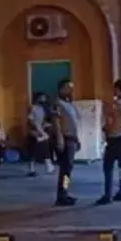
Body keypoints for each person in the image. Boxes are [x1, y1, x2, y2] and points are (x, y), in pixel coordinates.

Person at [96, 80, 121, 205]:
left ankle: (64, 189)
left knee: (108, 167)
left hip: (115, 138)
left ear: (117, 89)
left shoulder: (117, 104)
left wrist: (106, 129)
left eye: (114, 89)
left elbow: (112, 121)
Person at [51, 78, 80, 206]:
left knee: (68, 169)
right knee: (65, 169)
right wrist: (59, 138)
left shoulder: (69, 104)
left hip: (72, 138)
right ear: (61, 89)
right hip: (65, 138)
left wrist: (77, 139)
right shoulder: (58, 104)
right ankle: (62, 195)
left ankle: (65, 192)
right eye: (68, 87)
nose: (71, 90)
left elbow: (74, 123)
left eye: (72, 88)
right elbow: (56, 122)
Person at [26, 92, 54, 177]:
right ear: (38, 98)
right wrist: (36, 129)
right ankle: (45, 166)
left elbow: (43, 120)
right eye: (42, 97)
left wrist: (44, 125)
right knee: (34, 149)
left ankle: (47, 165)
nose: (44, 99)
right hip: (34, 130)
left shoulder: (43, 108)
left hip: (40, 130)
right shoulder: (33, 107)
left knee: (42, 146)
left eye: (44, 98)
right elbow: (30, 120)